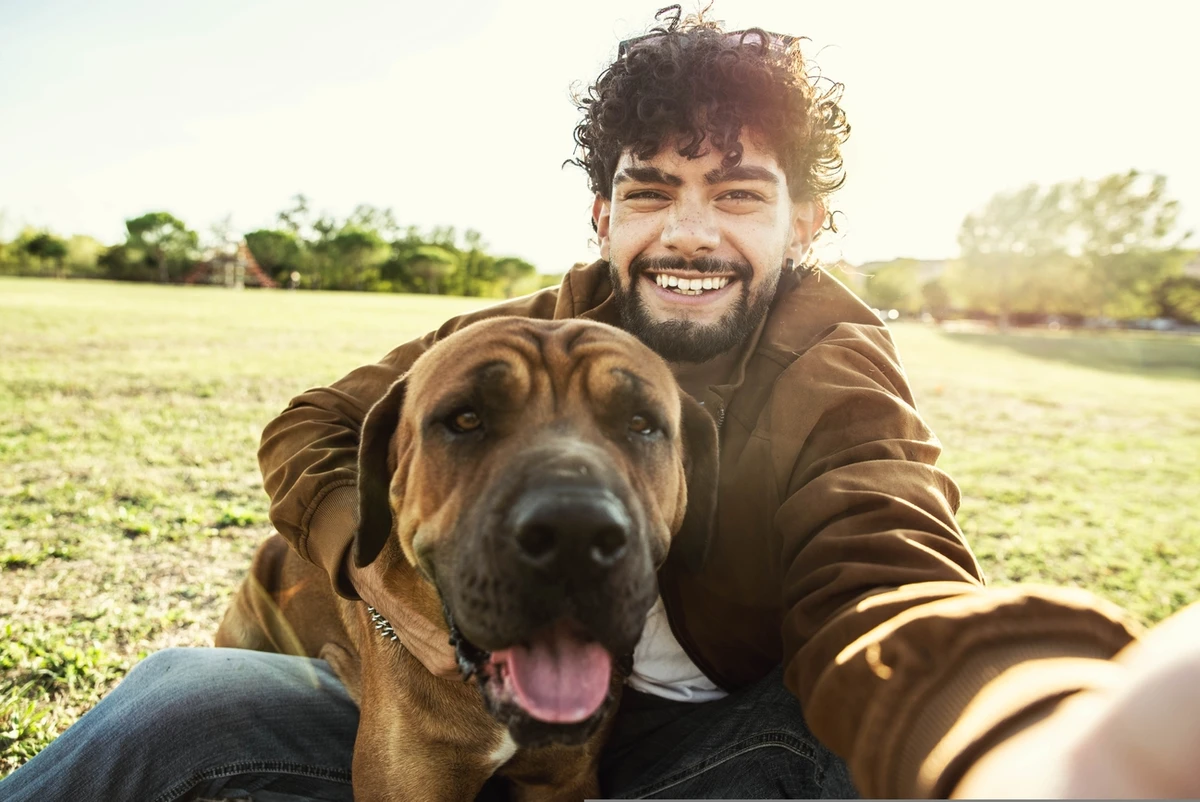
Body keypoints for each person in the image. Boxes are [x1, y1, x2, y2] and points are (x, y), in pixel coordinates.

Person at [3, 6, 1198, 800]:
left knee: (839, 756)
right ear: (605, 214)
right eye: (651, 191)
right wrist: (381, 582)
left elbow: (885, 579)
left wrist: (1033, 736)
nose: (688, 230)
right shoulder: (517, 331)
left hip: (691, 751)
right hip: (440, 701)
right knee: (186, 694)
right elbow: (314, 428)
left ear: (804, 223)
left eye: (738, 192)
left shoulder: (836, 371)